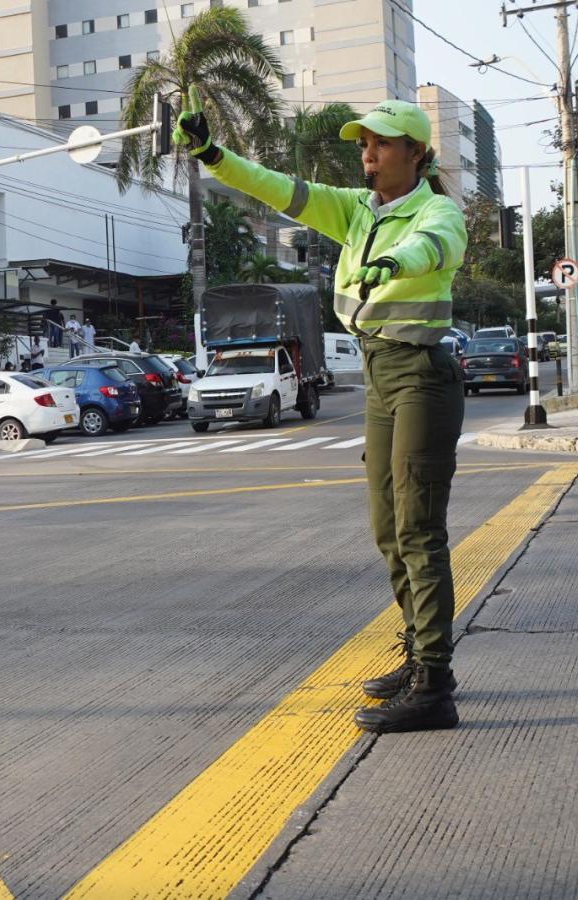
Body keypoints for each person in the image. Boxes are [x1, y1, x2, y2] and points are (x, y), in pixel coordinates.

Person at [174, 88, 466, 733]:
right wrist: (213, 154)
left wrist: (395, 261)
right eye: (365, 144)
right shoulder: (355, 210)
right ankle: (418, 653)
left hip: (420, 375)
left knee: (419, 530)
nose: (368, 153)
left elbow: (438, 246)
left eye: (381, 143)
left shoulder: (436, 210)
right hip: (377, 375)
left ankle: (435, 683)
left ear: (416, 153)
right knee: (388, 528)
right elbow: (276, 187)